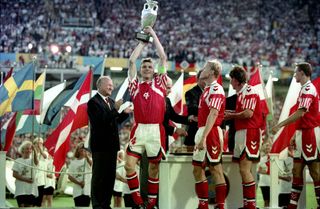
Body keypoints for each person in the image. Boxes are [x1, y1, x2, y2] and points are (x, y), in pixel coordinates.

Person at [125, 26, 168, 209]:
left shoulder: (160, 81)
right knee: (129, 165)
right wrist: (142, 43)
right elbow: (131, 61)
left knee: (153, 168)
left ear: (154, 70)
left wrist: (153, 35)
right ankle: (137, 200)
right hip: (139, 128)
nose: (147, 68)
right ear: (141, 70)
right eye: (145, 66)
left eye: (150, 66)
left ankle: (150, 203)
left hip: (156, 130)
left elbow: (163, 57)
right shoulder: (134, 85)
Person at [272, 62, 320, 209]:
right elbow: (301, 118)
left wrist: (281, 125)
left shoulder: (308, 89)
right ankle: (292, 206)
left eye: (296, 72)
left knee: (314, 171)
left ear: (303, 73)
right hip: (302, 133)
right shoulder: (304, 89)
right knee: (296, 170)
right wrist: (294, 134)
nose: (294, 75)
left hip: (310, 134)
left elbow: (300, 113)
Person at [87, 76, 131, 209]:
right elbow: (100, 121)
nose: (111, 87)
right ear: (100, 85)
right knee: (99, 176)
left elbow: (114, 122)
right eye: (109, 85)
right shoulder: (93, 102)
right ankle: (97, 204)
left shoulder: (111, 102)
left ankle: (106, 204)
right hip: (100, 146)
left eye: (112, 85)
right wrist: (115, 110)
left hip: (112, 146)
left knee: (109, 177)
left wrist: (123, 113)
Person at [224, 66, 263, 209]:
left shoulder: (249, 91)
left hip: (249, 132)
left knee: (245, 170)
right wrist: (230, 113)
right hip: (243, 132)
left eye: (231, 80)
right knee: (243, 169)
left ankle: (251, 206)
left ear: (236, 79)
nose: (230, 83)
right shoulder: (241, 93)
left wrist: (231, 115)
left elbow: (248, 114)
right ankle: (248, 204)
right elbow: (242, 113)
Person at [192, 60, 227, 209]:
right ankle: (204, 204)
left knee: (215, 168)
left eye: (205, 67)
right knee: (197, 169)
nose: (202, 69)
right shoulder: (207, 88)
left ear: (212, 72)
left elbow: (213, 114)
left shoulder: (216, 89)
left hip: (210, 132)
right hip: (204, 131)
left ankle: (220, 205)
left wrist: (204, 137)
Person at [12, 140, 39, 207]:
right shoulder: (18, 161)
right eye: (27, 149)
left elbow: (36, 162)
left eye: (30, 149)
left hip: (31, 189)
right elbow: (14, 174)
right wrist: (26, 179)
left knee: (29, 207)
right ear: (22, 150)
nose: (29, 150)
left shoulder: (32, 161)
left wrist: (35, 150)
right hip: (21, 189)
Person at [184, 69, 206, 146]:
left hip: (209, 131)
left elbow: (219, 109)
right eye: (203, 78)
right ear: (197, 79)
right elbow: (193, 108)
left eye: (207, 78)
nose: (205, 81)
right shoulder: (190, 93)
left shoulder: (212, 93)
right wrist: (212, 111)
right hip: (195, 130)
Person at [68, 142, 92, 207]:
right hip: (77, 192)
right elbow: (70, 177)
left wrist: (86, 156)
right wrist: (79, 183)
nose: (82, 150)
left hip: (87, 191)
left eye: (84, 149)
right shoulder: (73, 162)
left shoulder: (88, 160)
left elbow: (91, 164)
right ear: (78, 150)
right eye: (81, 148)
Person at [33, 137, 47, 207]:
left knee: (39, 203)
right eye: (38, 143)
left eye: (41, 143)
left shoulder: (44, 153)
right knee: (32, 202)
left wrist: (41, 151)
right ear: (34, 144)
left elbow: (45, 156)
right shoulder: (31, 153)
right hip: (32, 181)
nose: (39, 145)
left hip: (41, 182)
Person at [257, 141, 271, 207]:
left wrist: (266, 171)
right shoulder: (261, 158)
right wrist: (267, 172)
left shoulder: (274, 158)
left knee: (273, 202)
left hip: (272, 183)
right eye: (266, 146)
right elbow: (258, 170)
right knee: (266, 202)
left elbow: (274, 171)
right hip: (264, 182)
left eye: (269, 146)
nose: (267, 147)